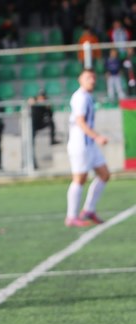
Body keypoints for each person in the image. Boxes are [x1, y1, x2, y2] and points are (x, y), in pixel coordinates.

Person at [65, 69, 111, 227]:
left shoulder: (88, 97)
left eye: (93, 77)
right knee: (80, 179)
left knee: (104, 174)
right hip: (80, 144)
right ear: (80, 79)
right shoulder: (80, 98)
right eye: (88, 77)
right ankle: (71, 216)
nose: (91, 80)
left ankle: (89, 210)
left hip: (90, 145)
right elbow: (80, 121)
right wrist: (96, 136)